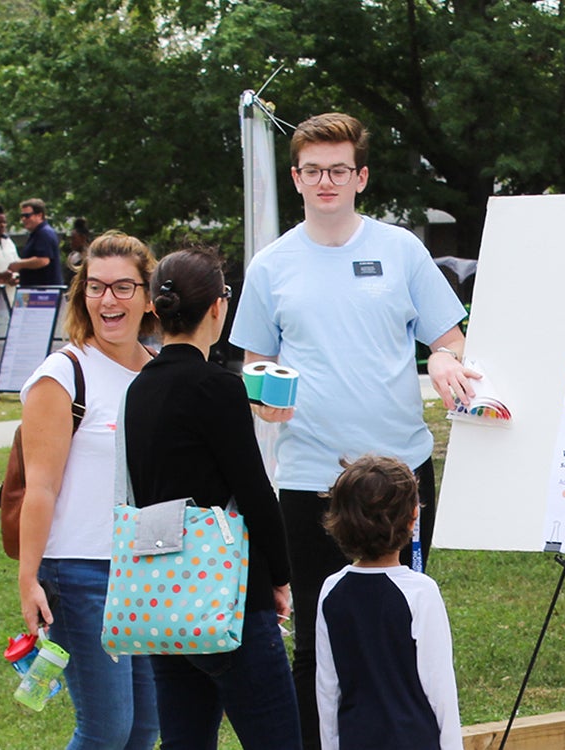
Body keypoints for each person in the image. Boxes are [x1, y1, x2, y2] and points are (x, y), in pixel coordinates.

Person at [226, 112, 475, 747]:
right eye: (313, 171)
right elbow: (253, 362)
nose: (325, 181)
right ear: (296, 178)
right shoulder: (272, 264)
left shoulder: (401, 250)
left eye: (339, 169)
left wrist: (446, 359)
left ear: (361, 176)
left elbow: (448, 337)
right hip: (311, 477)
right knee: (315, 638)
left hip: (400, 477)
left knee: (402, 626)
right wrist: (264, 398)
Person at [125, 247, 301, 750]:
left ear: (157, 310)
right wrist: (281, 576)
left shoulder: (140, 388)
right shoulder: (217, 388)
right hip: (225, 594)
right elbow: (254, 491)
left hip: (161, 596)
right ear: (219, 307)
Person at [18, 231, 163, 750]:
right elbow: (40, 489)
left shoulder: (157, 372)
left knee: (145, 729)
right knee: (106, 730)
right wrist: (29, 579)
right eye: (96, 287)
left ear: (149, 296)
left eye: (124, 287)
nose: (109, 300)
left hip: (144, 570)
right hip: (80, 573)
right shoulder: (63, 375)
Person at [313, 456, 459, 750]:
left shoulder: (331, 591)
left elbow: (327, 689)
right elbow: (440, 689)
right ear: (412, 518)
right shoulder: (421, 592)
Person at [12, 198, 64, 287]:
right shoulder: (36, 234)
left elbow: (43, 260)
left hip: (44, 294)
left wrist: (19, 264)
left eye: (27, 215)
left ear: (39, 215)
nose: (23, 219)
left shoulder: (44, 233)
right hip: (37, 291)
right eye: (22, 216)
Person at [0, 206, 23, 279]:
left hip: (12, 289)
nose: (2, 225)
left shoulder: (9, 242)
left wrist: (16, 278)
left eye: (4, 222)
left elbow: (17, 264)